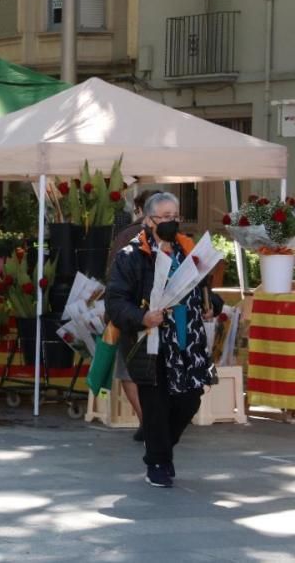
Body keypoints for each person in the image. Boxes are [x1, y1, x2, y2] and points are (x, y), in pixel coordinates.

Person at [106, 192, 222, 488]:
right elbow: (116, 302)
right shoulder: (132, 256)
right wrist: (142, 317)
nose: (172, 221)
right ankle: (157, 461)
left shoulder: (188, 250)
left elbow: (203, 291)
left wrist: (213, 305)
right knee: (155, 405)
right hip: (151, 342)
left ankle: (161, 448)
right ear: (148, 220)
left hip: (188, 341)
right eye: (165, 217)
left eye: (175, 216)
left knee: (189, 400)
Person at [107, 189, 156, 442]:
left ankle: (147, 421)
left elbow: (111, 276)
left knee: (128, 370)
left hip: (131, 315)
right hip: (150, 315)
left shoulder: (125, 235)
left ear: (139, 209)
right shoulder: (179, 240)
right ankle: (152, 422)